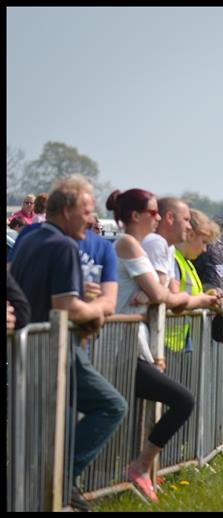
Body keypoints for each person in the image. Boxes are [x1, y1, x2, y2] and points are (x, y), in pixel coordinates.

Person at [10, 175, 127, 511]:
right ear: (66, 211)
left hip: (28, 347)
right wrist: (98, 310)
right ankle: (61, 479)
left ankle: (46, 490)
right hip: (55, 346)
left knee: (43, 428)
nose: (92, 220)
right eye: (87, 211)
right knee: (112, 406)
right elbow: (67, 307)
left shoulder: (31, 237)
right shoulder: (63, 246)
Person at [107, 188, 197, 503]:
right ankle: (137, 468)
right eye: (153, 212)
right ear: (135, 216)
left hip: (134, 347)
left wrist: (164, 295)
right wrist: (187, 298)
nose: (158, 218)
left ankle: (135, 470)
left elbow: (159, 293)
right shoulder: (128, 243)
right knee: (183, 400)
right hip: (118, 349)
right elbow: (163, 296)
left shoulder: (142, 246)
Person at [174, 209, 220, 295]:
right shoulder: (173, 261)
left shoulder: (188, 263)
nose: (204, 250)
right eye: (204, 242)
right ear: (191, 235)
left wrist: (209, 296)